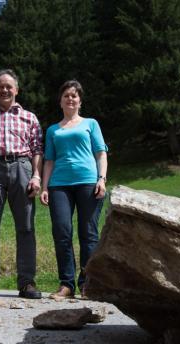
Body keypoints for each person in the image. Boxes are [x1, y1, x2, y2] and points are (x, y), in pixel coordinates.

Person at [0, 69, 43, 299]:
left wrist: (36, 176)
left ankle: (27, 283)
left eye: (8, 86)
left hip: (22, 168)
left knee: (26, 227)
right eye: (0, 86)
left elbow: (36, 150)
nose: (4, 90)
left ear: (16, 90)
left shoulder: (29, 117)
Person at [39, 80, 108, 299]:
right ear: (60, 101)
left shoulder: (91, 124)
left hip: (88, 181)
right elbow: (49, 160)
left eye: (74, 95)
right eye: (66, 95)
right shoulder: (52, 130)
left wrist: (102, 179)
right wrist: (44, 186)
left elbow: (100, 153)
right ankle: (66, 284)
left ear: (80, 100)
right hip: (59, 184)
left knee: (88, 234)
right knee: (62, 232)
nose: (70, 98)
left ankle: (88, 284)